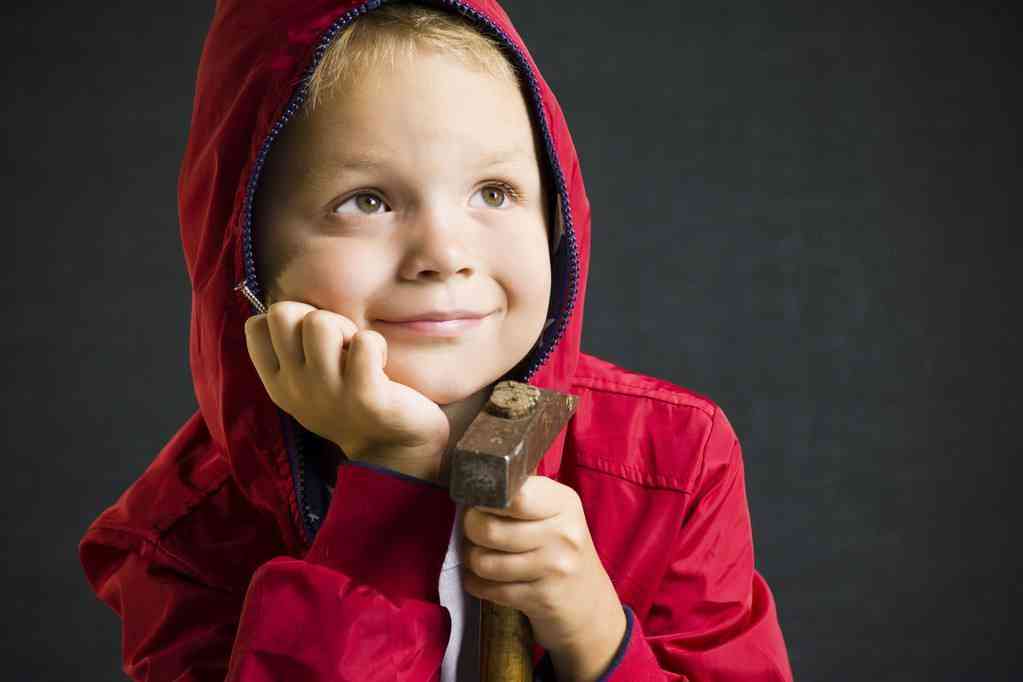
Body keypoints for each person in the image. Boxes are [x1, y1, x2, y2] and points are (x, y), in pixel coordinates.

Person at [78, 1, 795, 680]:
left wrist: (598, 636)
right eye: (367, 201)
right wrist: (390, 484)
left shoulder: (670, 459)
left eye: (493, 192)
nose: (444, 253)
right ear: (245, 253)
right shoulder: (179, 539)